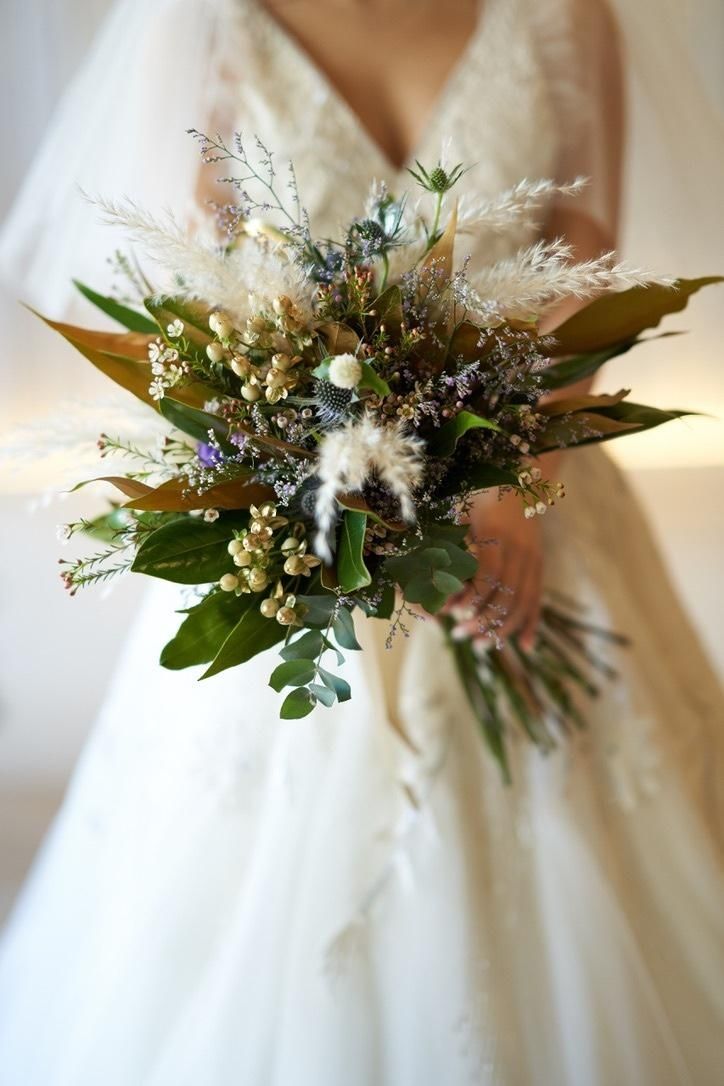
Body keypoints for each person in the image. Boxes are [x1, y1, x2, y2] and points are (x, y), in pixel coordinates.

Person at [0, 0, 722, 1082]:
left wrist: (509, 491)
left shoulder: (564, 17)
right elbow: (193, 295)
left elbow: (582, 269)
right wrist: (324, 498)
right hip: (301, 519)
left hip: (537, 489)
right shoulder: (208, 27)